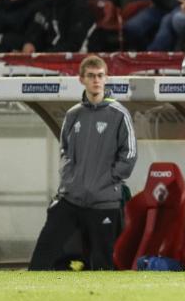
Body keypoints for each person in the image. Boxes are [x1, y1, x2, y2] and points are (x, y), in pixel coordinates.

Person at [28, 55, 136, 271]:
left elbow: (129, 154)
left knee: (102, 263)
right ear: (81, 79)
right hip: (72, 198)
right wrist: (70, 180)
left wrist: (108, 180)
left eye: (100, 76)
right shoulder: (73, 115)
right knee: (43, 255)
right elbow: (65, 151)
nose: (96, 80)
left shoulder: (119, 114)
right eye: (91, 76)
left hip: (104, 200)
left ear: (106, 79)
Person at [22, 0, 95, 53]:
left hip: (75, 59)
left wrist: (47, 55)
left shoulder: (79, 8)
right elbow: (36, 29)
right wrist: (30, 43)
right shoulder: (45, 5)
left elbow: (74, 43)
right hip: (48, 56)